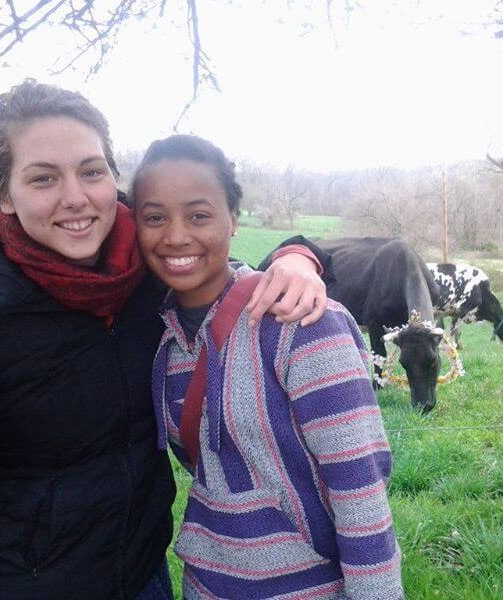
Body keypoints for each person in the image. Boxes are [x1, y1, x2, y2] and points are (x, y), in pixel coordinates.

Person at [0, 80, 331, 600]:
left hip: (146, 572)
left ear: (114, 177)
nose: (76, 198)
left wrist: (296, 255)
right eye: (42, 179)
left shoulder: (146, 262)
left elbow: (213, 260)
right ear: (4, 196)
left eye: (91, 171)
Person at [132, 134, 404, 600]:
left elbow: (360, 489)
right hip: (205, 585)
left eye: (199, 215)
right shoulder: (165, 340)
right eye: (155, 217)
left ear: (234, 219)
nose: (175, 235)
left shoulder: (302, 321)